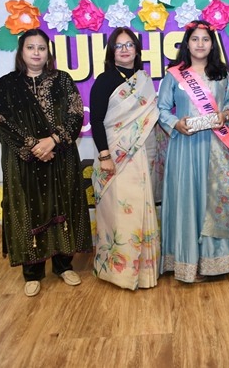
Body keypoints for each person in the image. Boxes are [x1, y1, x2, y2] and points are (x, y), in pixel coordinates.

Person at [0, 28, 92, 297]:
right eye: (30, 47)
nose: (36, 53)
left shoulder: (62, 80)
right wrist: (34, 147)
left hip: (60, 156)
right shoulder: (6, 84)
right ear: (21, 52)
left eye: (41, 48)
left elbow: (75, 114)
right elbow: (2, 122)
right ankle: (32, 273)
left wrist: (53, 141)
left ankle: (63, 266)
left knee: (63, 205)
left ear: (48, 53)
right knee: (27, 210)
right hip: (23, 161)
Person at [157, 19, 229, 283]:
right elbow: (161, 109)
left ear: (212, 44)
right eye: (195, 39)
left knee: (214, 199)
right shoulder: (174, 75)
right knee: (188, 201)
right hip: (185, 147)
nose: (200, 44)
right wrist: (176, 123)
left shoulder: (221, 75)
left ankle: (215, 263)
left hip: (216, 147)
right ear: (187, 43)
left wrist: (226, 115)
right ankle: (187, 263)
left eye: (205, 39)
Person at [90, 27, 163, 290]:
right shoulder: (104, 80)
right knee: (119, 214)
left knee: (142, 209)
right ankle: (118, 273)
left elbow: (151, 119)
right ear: (112, 51)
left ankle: (145, 273)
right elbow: (96, 120)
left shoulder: (144, 79)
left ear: (136, 49)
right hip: (115, 157)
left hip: (143, 155)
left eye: (129, 44)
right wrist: (105, 156)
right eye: (119, 45)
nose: (124, 49)